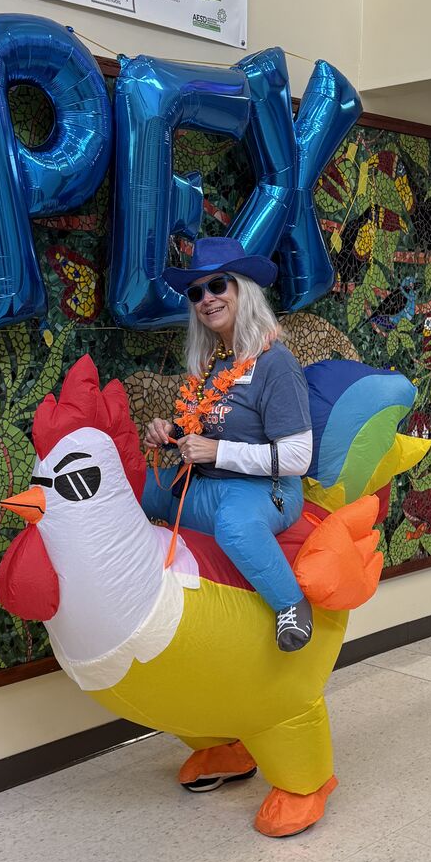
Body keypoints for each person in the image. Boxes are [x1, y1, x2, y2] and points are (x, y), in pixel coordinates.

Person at [141, 237, 315, 651]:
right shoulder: (211, 363)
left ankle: (291, 604)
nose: (206, 299)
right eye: (196, 292)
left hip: (264, 490)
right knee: (137, 490)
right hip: (201, 483)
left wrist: (217, 452)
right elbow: (202, 431)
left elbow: (298, 458)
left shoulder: (276, 364)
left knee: (235, 528)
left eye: (217, 285)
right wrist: (170, 435)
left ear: (242, 289)